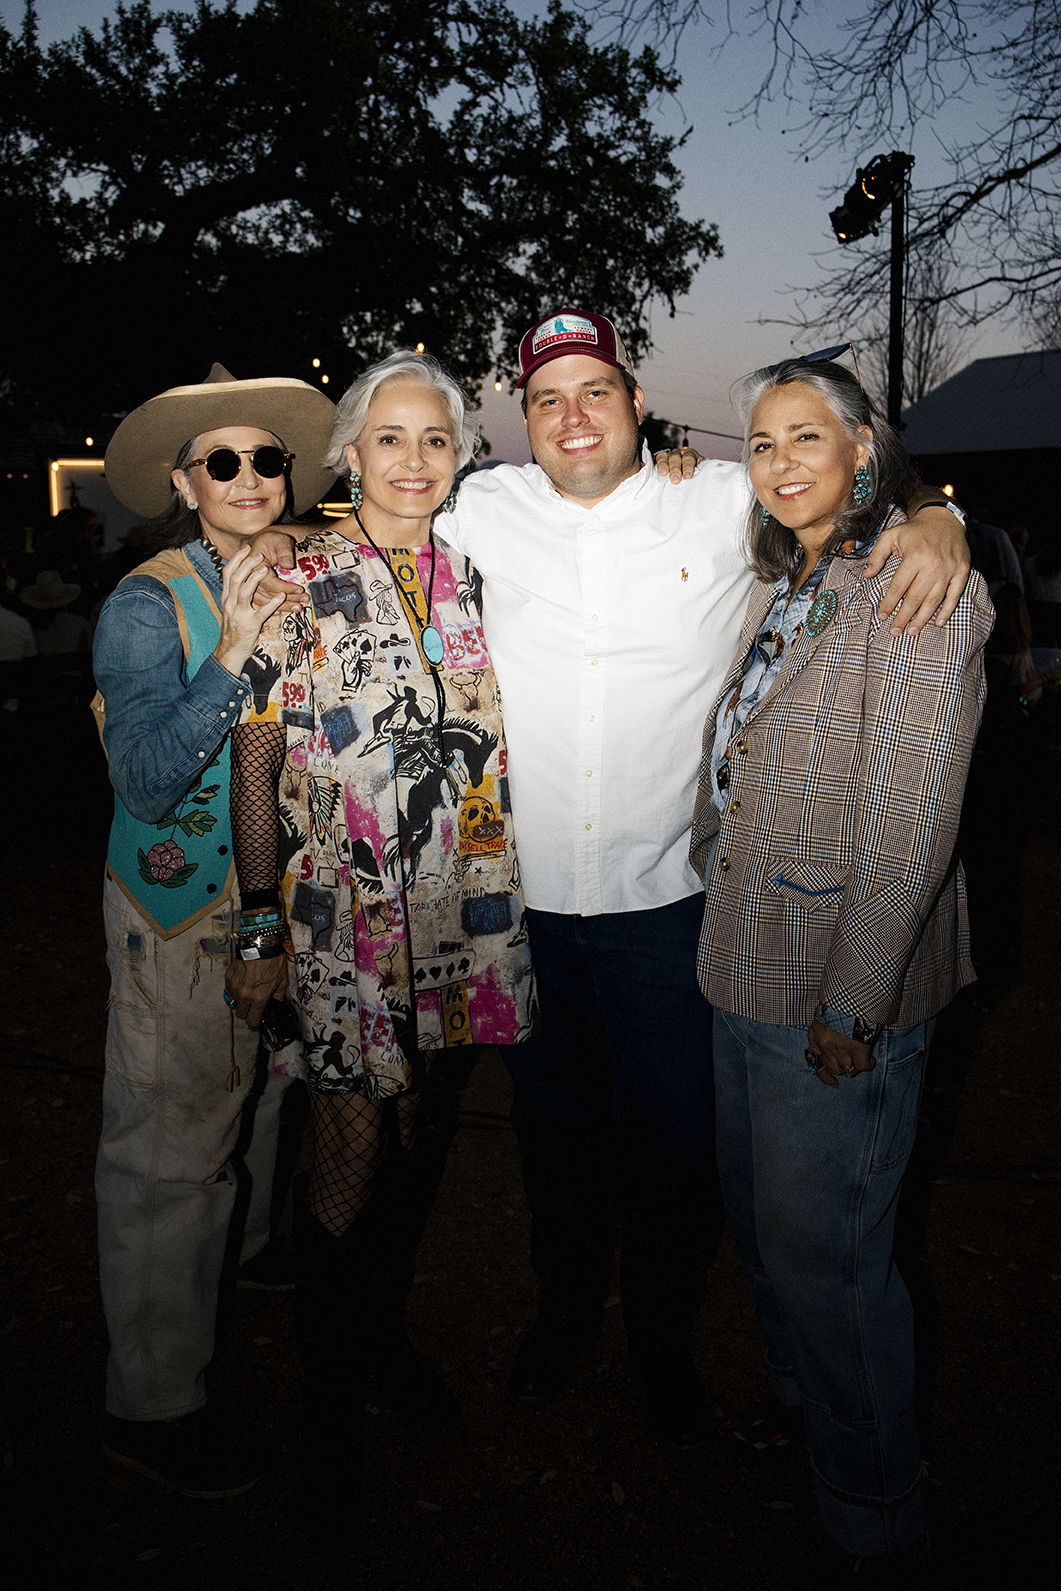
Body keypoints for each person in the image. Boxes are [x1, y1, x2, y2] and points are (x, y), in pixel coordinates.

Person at [253, 310, 969, 1445]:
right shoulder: (480, 506)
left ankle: (663, 1339)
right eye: (546, 398)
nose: (572, 415)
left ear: (638, 406)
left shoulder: (721, 495)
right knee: (556, 1141)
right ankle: (565, 1311)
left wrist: (939, 517)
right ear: (518, 424)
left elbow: (849, 488)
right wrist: (278, 535)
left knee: (674, 1146)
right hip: (521, 909)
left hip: (670, 903)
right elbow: (368, 500)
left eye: (595, 391)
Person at [689, 355, 991, 1567]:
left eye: (803, 437)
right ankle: (804, 1406)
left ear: (864, 450)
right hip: (740, 961)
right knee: (770, 1233)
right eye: (759, 444)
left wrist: (856, 1004)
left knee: (833, 1261)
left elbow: (911, 820)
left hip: (832, 981)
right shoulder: (796, 576)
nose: (777, 463)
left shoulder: (916, 585)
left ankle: (873, 1513)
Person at [225, 352, 534, 1481]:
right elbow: (253, 760)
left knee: (420, 1141)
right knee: (347, 1158)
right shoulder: (294, 574)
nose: (413, 461)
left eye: (435, 438)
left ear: (459, 456)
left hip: (464, 918)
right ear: (350, 454)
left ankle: (378, 1341)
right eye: (389, 438)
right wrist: (259, 924)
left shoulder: (476, 576)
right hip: (337, 929)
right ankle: (325, 1399)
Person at [93, 363, 336, 1497]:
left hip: (279, 901)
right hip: (178, 907)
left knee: (268, 1088)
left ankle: (243, 1255)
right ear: (187, 482)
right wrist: (232, 650)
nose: (249, 477)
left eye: (266, 457)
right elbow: (143, 779)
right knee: (170, 1153)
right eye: (222, 461)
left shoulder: (298, 569)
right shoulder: (146, 605)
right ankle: (153, 1404)